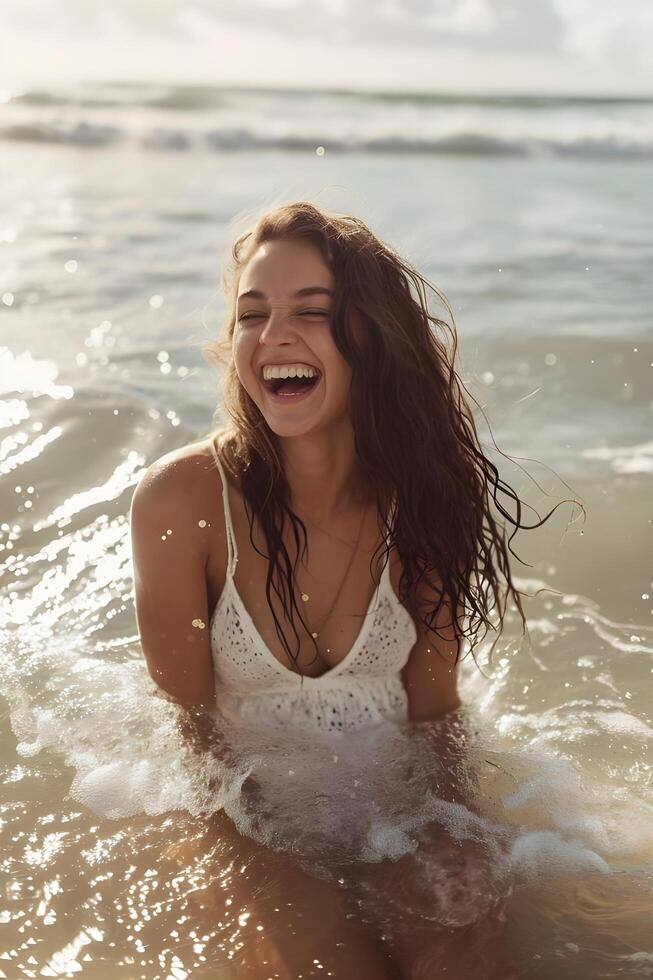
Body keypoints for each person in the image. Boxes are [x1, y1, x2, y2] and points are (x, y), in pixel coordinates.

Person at [130, 201, 574, 977]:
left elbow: (434, 709)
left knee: (460, 951)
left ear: (369, 337)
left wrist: (452, 833)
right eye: (252, 314)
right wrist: (251, 863)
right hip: (250, 808)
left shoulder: (424, 495)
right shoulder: (183, 501)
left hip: (397, 801)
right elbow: (192, 733)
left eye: (312, 311)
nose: (273, 337)